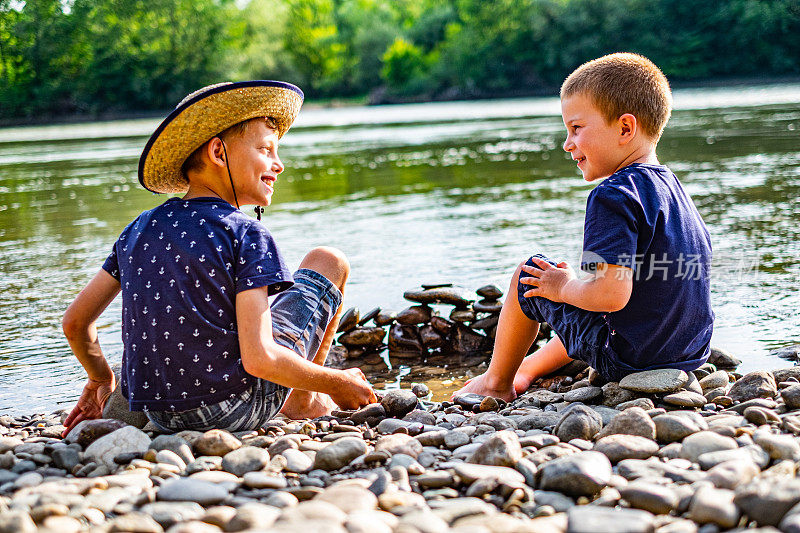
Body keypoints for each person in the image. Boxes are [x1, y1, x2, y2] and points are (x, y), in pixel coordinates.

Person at [61, 80, 376, 436]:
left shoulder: (139, 227)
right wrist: (337, 382)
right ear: (218, 152)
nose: (279, 164)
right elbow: (261, 358)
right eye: (267, 150)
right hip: (231, 410)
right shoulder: (243, 232)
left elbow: (75, 323)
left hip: (161, 414)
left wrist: (100, 378)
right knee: (328, 261)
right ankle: (304, 399)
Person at [453, 53, 714, 401]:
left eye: (576, 128)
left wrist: (563, 288)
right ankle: (529, 368)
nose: (567, 143)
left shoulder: (611, 196)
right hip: (687, 353)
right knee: (573, 286)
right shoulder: (673, 190)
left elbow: (609, 295)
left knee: (531, 275)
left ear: (625, 128)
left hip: (631, 359)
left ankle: (496, 382)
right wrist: (571, 286)